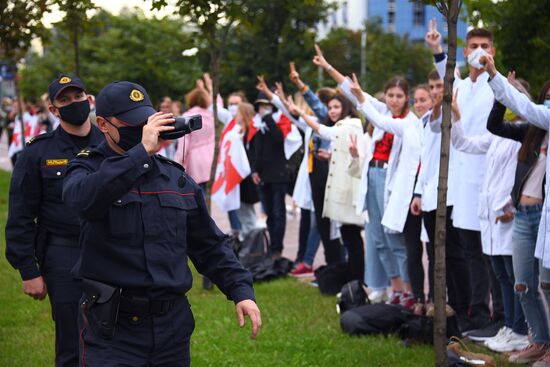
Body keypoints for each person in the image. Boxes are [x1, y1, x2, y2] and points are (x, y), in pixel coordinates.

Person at [62, 81, 261, 365]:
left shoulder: (175, 178)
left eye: (147, 120)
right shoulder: (87, 168)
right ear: (104, 125)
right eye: (132, 123)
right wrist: (138, 155)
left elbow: (210, 245)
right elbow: (82, 201)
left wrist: (241, 290)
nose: (143, 129)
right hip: (114, 331)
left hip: (172, 328)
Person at [5, 74, 104, 367]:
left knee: (118, 336)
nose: (74, 103)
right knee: (73, 340)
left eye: (78, 96)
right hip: (64, 255)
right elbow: (21, 214)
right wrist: (28, 270)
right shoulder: (38, 152)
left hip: (111, 249)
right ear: (53, 110)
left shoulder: (110, 143)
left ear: (90, 99)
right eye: (64, 99)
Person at [425, 18, 504, 334]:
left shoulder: (497, 88)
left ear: (493, 51)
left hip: (486, 179)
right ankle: (468, 312)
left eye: (485, 47)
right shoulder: (458, 86)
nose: (479, 52)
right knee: (462, 252)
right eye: (474, 47)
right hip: (456, 182)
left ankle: (491, 318)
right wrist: (437, 50)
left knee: (488, 256)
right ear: (466, 50)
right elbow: (436, 125)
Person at [482, 55, 550, 365]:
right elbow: (495, 124)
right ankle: (538, 340)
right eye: (547, 99)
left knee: (546, 285)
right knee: (522, 283)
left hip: (545, 218)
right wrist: (500, 90)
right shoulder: (531, 131)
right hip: (524, 218)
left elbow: (528, 108)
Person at [450, 87, 529, 351]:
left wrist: (512, 206)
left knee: (514, 274)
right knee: (501, 274)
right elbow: (464, 144)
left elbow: (523, 174)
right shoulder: (497, 135)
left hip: (507, 214)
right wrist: (456, 117)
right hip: (490, 217)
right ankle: (508, 325)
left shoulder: (526, 133)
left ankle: (519, 328)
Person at [174, 80, 215, 193]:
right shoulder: (211, 116)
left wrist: (176, 163)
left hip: (195, 161)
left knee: (199, 195)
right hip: (212, 157)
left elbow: (184, 144)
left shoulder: (187, 117)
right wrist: (208, 87)